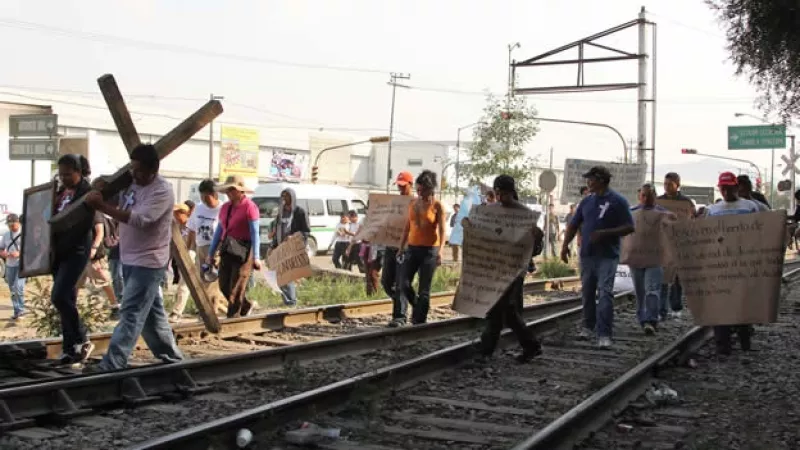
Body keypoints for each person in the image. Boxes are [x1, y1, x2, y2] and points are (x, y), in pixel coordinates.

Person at [84, 144, 184, 371]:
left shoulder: (162, 191)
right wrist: (101, 187)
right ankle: (171, 356)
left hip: (149, 260)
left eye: (139, 171)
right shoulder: (131, 184)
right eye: (132, 169)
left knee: (131, 312)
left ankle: (113, 363)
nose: (135, 175)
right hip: (129, 257)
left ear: (153, 170)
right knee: (151, 314)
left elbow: (140, 220)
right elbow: (114, 200)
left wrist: (101, 206)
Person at [464, 175, 543, 363]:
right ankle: (529, 346)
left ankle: (486, 350)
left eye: (504, 194)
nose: (500, 198)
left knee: (501, 309)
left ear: (512, 193)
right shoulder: (489, 212)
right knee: (503, 311)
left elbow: (534, 249)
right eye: (497, 193)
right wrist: (468, 225)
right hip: (495, 268)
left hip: (514, 269)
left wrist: (537, 238)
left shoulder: (524, 215)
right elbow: (480, 234)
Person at [561, 166, 635, 348]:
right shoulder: (586, 202)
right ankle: (588, 326)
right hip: (587, 254)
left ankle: (604, 333)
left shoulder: (618, 201)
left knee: (605, 293)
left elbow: (629, 226)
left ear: (601, 180)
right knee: (587, 292)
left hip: (607, 255)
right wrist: (564, 246)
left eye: (591, 179)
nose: (588, 182)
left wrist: (606, 233)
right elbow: (573, 225)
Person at [705, 172, 760, 355]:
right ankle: (723, 344)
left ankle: (745, 340)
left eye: (729, 187)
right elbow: (706, 235)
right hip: (720, 264)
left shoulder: (750, 207)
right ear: (719, 188)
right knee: (721, 302)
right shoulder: (713, 210)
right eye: (723, 188)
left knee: (742, 301)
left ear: (736, 187)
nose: (726, 191)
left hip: (743, 262)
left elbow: (758, 232)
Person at [51, 154, 98, 365]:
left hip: (75, 250)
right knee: (66, 300)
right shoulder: (59, 193)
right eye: (61, 174)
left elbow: (82, 225)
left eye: (68, 174)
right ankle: (70, 348)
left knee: (59, 296)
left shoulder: (86, 194)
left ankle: (82, 338)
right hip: (57, 253)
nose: (64, 178)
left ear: (78, 172)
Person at [207, 176, 261, 317]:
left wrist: (256, 257)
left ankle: (233, 318)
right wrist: (211, 253)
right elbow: (219, 231)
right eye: (228, 190)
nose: (229, 193)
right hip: (227, 249)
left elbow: (255, 233)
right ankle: (245, 305)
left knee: (235, 288)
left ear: (240, 191)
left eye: (232, 189)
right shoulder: (225, 208)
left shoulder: (250, 207)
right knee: (223, 284)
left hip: (244, 251)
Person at [397, 170, 445, 326]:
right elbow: (406, 227)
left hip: (430, 251)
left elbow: (443, 231)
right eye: (418, 190)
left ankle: (419, 322)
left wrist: (441, 252)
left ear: (431, 189)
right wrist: (401, 247)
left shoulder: (437, 206)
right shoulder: (413, 203)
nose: (419, 193)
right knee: (403, 283)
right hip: (412, 248)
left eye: (423, 190)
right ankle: (417, 306)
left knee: (424, 289)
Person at [175, 179, 224, 318]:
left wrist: (219, 253)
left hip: (216, 249)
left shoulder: (222, 209)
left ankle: (210, 311)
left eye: (206, 196)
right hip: (201, 247)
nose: (204, 199)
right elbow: (191, 229)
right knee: (203, 280)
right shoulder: (199, 208)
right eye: (201, 196)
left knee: (212, 280)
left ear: (215, 194)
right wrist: (188, 248)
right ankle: (209, 310)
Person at [629, 184, 672, 335]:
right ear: (639, 197)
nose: (646, 199)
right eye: (643, 195)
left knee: (652, 290)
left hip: (655, 259)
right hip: (636, 259)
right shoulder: (632, 213)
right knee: (640, 291)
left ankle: (651, 320)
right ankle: (643, 319)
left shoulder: (664, 214)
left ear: (655, 196)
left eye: (649, 195)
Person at [79, 178, 120, 320]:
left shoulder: (94, 212)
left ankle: (115, 306)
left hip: (94, 254)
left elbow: (100, 232)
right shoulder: (83, 209)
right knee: (76, 283)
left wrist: (93, 249)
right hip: (83, 253)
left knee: (103, 279)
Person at [268, 186, 310, 306]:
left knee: (288, 275)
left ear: (292, 197)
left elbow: (306, 231)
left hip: (292, 248)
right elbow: (277, 230)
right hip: (280, 248)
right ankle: (286, 300)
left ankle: (291, 301)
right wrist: (272, 246)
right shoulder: (280, 213)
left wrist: (294, 237)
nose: (284, 198)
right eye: (283, 196)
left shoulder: (299, 212)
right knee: (280, 275)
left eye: (287, 196)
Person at [384, 171, 415, 327]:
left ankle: (400, 316)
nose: (401, 189)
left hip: (406, 249)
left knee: (400, 282)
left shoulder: (415, 203)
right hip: (390, 246)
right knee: (386, 282)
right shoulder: (393, 202)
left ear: (411, 185)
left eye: (403, 186)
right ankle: (416, 303)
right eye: (399, 186)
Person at [168, 203, 193, 323]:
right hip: (179, 258)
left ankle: (177, 312)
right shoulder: (177, 227)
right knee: (183, 286)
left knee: (184, 286)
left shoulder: (191, 226)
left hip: (191, 257)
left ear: (185, 213)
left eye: (178, 213)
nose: (175, 216)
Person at [0, 214, 25, 320]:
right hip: (10, 265)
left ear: (18, 222)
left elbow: (32, 248)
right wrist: (3, 253)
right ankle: (16, 311)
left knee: (18, 287)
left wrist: (19, 253)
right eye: (9, 225)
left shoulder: (25, 233)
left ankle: (21, 311)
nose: (11, 227)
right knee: (12, 289)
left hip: (22, 264)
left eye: (13, 224)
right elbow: (1, 248)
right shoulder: (6, 235)